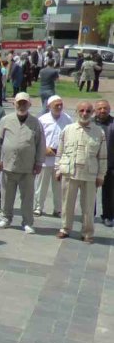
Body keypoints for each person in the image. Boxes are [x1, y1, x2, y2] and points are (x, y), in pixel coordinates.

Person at [56, 100, 107, 243]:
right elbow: (60, 152)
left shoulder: (99, 132)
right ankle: (65, 228)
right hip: (69, 172)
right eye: (82, 111)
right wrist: (57, 169)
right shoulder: (68, 129)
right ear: (76, 112)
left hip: (89, 174)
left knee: (88, 206)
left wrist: (101, 175)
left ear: (92, 113)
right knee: (67, 203)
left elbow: (102, 156)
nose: (85, 114)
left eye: (88, 111)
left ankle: (87, 232)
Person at [0, 92, 45, 234]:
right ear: (14, 104)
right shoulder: (5, 120)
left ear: (29, 104)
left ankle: (27, 222)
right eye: (19, 103)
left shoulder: (35, 122)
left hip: (27, 167)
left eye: (24, 103)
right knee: (7, 195)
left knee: (27, 197)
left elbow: (41, 144)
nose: (22, 106)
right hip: (8, 165)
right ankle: (5, 218)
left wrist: (39, 162)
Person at [34, 96, 71, 218]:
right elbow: (36, 137)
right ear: (49, 106)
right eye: (56, 105)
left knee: (59, 187)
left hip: (60, 159)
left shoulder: (67, 119)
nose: (59, 107)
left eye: (61, 104)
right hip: (44, 158)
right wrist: (44, 149)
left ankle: (58, 209)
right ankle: (38, 207)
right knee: (41, 185)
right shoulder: (42, 120)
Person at [94, 99, 114, 227]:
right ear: (96, 110)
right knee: (90, 192)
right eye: (100, 108)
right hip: (92, 165)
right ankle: (89, 214)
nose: (103, 110)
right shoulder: (89, 123)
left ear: (109, 109)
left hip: (110, 164)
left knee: (110, 193)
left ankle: (108, 215)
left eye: (105, 108)